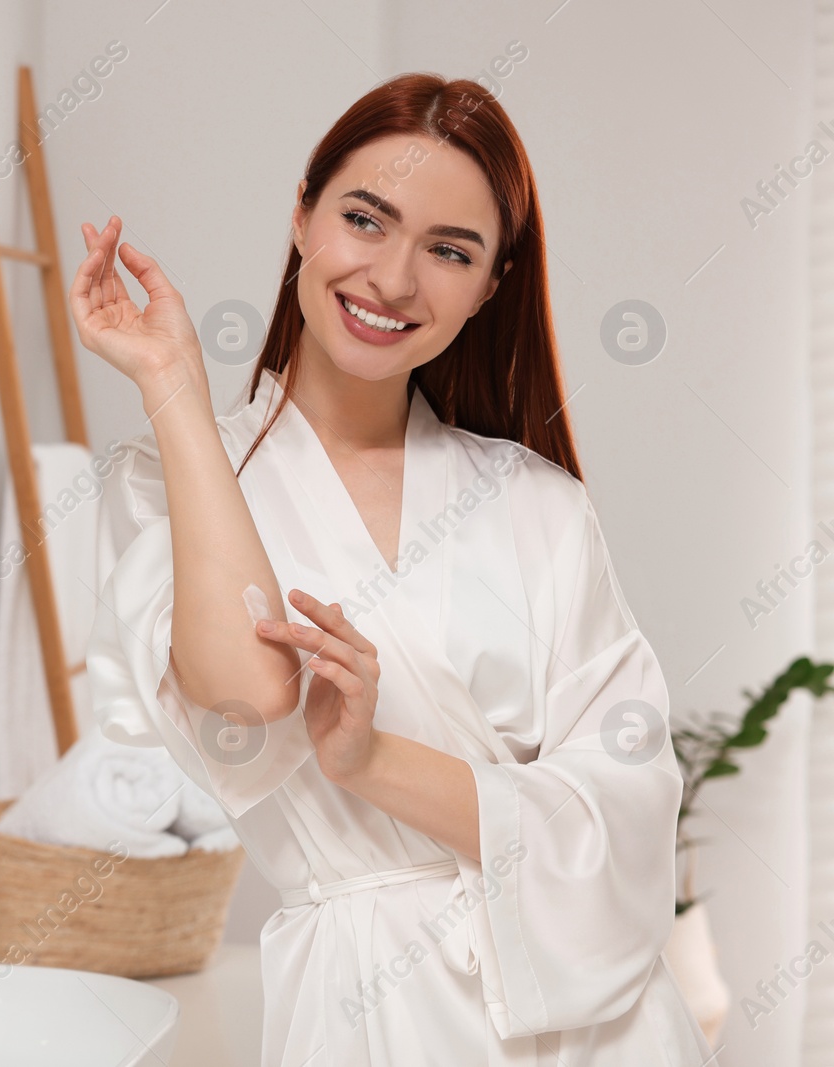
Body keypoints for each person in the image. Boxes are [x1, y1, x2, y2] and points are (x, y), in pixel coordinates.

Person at [74, 73, 715, 1065]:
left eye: (449, 250)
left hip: (599, 1029)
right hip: (369, 1011)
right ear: (301, 215)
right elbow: (246, 701)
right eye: (365, 220)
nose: (392, 279)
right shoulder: (168, 481)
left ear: (491, 283)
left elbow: (624, 813)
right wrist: (172, 385)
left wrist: (372, 759)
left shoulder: (538, 504)